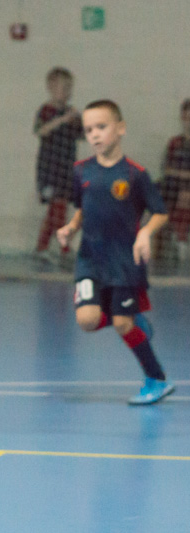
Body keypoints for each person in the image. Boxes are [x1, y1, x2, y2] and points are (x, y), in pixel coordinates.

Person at [57, 99, 174, 405]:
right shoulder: (81, 171)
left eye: (101, 127)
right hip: (90, 259)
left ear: (120, 129)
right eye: (89, 130)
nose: (95, 134)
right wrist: (71, 227)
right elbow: (82, 208)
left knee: (123, 324)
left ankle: (157, 380)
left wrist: (145, 233)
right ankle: (133, 322)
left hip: (125, 262)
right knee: (87, 320)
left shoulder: (135, 174)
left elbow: (160, 213)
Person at [34, 67, 83, 262]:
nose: (67, 93)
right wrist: (63, 119)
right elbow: (41, 131)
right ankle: (55, 247)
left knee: (59, 208)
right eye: (63, 88)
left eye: (69, 88)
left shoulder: (71, 113)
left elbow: (82, 135)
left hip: (66, 168)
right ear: (51, 88)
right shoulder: (46, 111)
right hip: (49, 169)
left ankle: (48, 247)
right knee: (56, 208)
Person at [160, 98, 190, 264]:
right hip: (176, 188)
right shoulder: (175, 143)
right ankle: (178, 239)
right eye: (186, 118)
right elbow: (167, 170)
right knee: (166, 189)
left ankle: (182, 239)